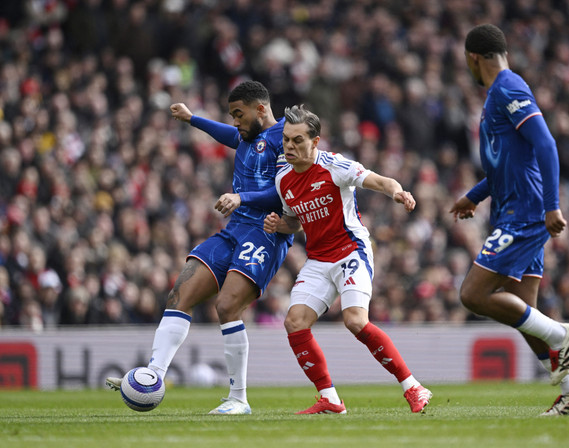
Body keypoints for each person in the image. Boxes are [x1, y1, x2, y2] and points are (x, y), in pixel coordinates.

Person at [106, 80, 292, 415]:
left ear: (261, 109)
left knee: (227, 306)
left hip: (266, 232)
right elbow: (228, 135)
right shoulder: (247, 136)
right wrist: (193, 119)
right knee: (181, 293)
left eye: (239, 114)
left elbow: (284, 193)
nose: (235, 121)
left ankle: (239, 398)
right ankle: (153, 375)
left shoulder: (286, 139)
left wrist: (241, 197)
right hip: (234, 229)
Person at [449, 24, 569, 416]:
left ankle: (562, 335)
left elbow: (544, 143)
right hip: (513, 207)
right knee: (524, 314)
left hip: (525, 213)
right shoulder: (497, 94)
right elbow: (504, 163)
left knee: (474, 295)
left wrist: (551, 206)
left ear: (473, 58)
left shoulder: (509, 88)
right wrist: (473, 196)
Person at [264, 105, 432, 414]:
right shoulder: (282, 179)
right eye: (286, 140)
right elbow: (296, 222)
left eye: (298, 140)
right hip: (317, 259)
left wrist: (399, 192)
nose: (290, 146)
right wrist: (279, 225)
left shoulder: (335, 166)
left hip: (350, 251)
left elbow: (381, 181)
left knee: (355, 320)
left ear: (315, 142)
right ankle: (329, 398)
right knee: (294, 322)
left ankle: (414, 387)